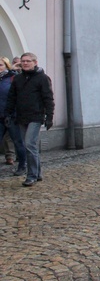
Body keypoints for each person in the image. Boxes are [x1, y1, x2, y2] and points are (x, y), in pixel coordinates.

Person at [4, 52, 54, 187]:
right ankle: (37, 173)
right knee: (30, 146)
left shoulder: (43, 78)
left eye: (28, 61)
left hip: (36, 116)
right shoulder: (18, 79)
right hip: (21, 117)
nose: (25, 63)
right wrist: (8, 113)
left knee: (29, 144)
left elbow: (48, 98)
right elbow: (12, 97)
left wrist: (49, 116)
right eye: (23, 61)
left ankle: (31, 175)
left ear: (35, 63)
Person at [0, 57, 26, 176]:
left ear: (6, 66)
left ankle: (22, 165)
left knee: (18, 142)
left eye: (0, 65)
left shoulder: (12, 78)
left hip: (12, 116)